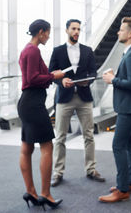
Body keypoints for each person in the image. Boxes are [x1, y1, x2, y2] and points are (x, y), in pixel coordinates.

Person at [49, 19, 105, 187]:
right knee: (60, 136)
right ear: (67, 30)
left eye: (79, 29)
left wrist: (87, 81)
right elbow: (51, 73)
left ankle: (91, 169)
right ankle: (58, 172)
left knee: (88, 135)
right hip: (64, 98)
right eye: (73, 29)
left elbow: (94, 72)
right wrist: (61, 81)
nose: (76, 32)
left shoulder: (87, 51)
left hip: (84, 97)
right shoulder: (58, 51)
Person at [17, 19, 64, 210]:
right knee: (47, 146)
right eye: (48, 33)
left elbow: (32, 76)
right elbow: (32, 78)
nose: (49, 36)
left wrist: (52, 75)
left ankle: (31, 192)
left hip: (27, 102)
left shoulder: (26, 50)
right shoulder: (33, 50)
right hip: (33, 103)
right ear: (41, 32)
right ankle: (45, 194)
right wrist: (54, 76)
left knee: (26, 148)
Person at [99, 17, 131, 203]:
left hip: (129, 107)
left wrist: (112, 80)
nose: (118, 32)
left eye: (121, 29)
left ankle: (122, 189)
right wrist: (115, 76)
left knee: (118, 146)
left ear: (130, 33)